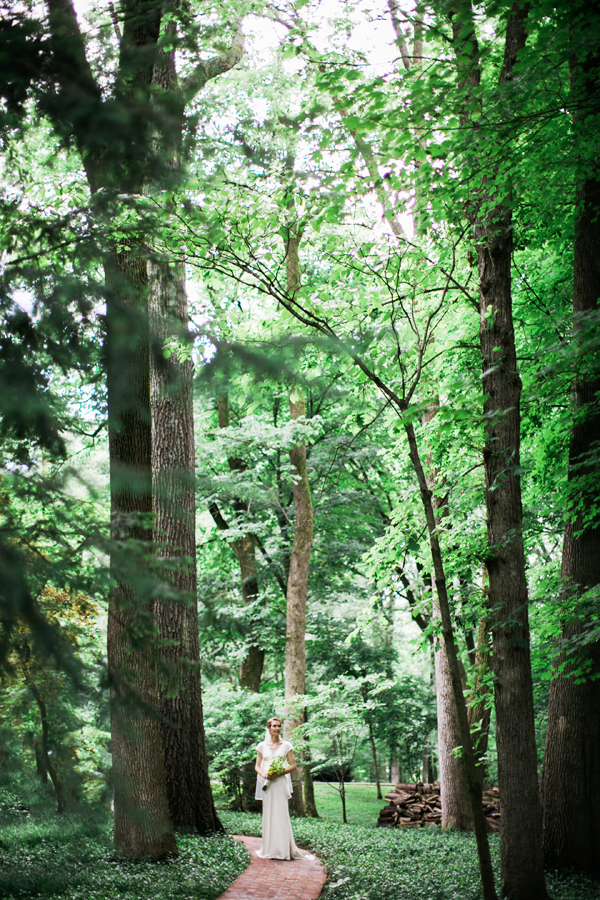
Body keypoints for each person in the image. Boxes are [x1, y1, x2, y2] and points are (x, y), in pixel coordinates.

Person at [254, 716, 313, 860]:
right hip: (267, 783)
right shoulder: (262, 746)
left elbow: (293, 765)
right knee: (269, 814)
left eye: (279, 725)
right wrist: (264, 774)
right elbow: (257, 765)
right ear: (269, 728)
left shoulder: (286, 745)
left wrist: (279, 772)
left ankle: (283, 850)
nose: (276, 728)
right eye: (274, 726)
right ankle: (269, 848)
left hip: (280, 783)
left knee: (281, 814)